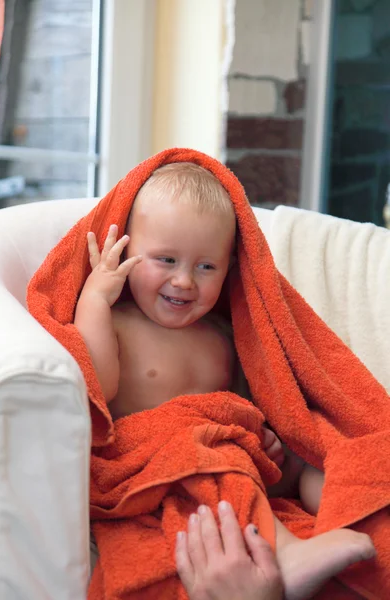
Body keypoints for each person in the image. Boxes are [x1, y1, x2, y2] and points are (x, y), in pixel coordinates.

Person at [75, 162, 375, 600]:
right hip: (145, 466)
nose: (184, 280)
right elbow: (95, 386)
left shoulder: (222, 334)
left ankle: (351, 513)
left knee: (315, 450)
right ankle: (286, 552)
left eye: (206, 266)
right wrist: (95, 299)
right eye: (166, 259)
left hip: (226, 452)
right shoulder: (118, 323)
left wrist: (265, 437)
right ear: (124, 251)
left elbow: (242, 400)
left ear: (231, 267)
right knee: (213, 456)